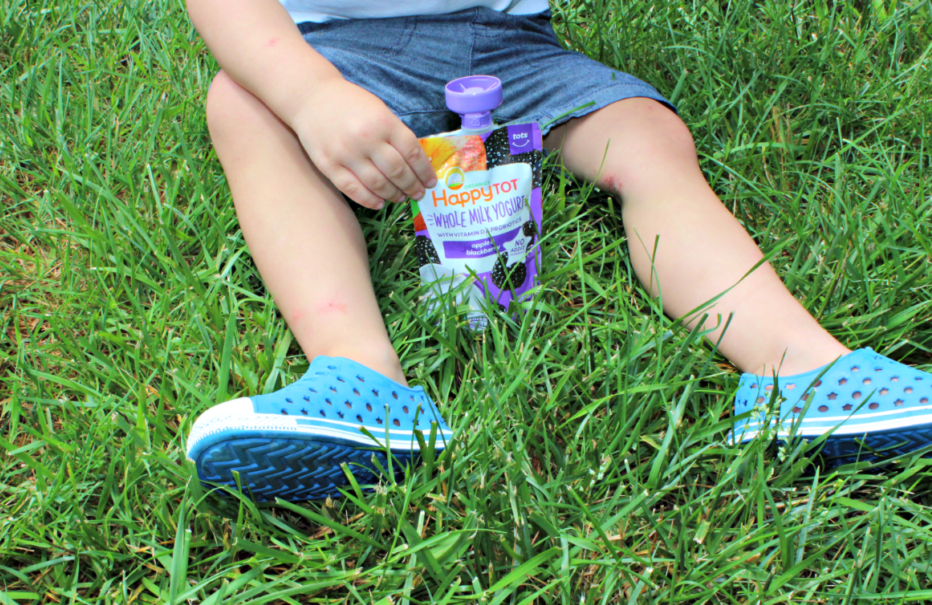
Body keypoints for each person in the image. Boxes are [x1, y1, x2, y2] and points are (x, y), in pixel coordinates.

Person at [182, 0, 932, 501]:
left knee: (646, 135)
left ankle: (799, 367)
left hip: (516, 49)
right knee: (243, 105)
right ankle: (360, 378)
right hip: (325, 53)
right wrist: (311, 96)